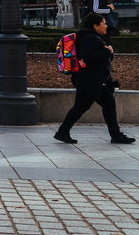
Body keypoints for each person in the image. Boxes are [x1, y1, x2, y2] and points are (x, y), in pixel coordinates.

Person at [55, 12, 134, 145]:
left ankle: (63, 132)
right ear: (95, 25)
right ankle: (115, 135)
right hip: (91, 81)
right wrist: (107, 51)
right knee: (98, 105)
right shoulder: (89, 38)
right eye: (103, 23)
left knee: (89, 106)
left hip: (89, 80)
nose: (106, 25)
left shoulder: (90, 36)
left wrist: (107, 51)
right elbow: (89, 57)